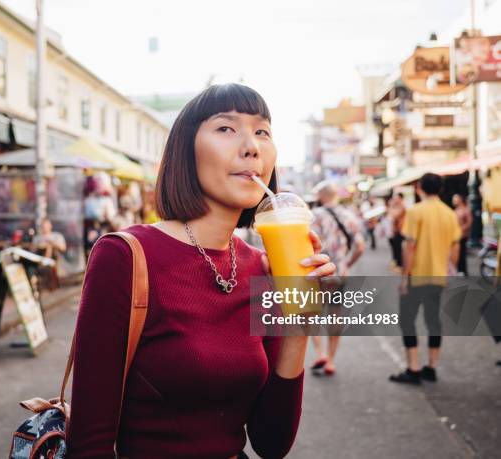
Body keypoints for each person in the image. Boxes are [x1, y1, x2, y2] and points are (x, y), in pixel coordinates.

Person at [66, 84, 336, 458]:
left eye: (262, 131)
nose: (251, 146)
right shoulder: (124, 257)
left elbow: (271, 443)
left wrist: (298, 322)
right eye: (226, 128)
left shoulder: (262, 267)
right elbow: (89, 444)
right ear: (186, 150)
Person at [390, 173, 461, 385]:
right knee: (433, 320)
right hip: (438, 275)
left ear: (420, 187)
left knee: (407, 319)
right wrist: (451, 270)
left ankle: (413, 369)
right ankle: (431, 366)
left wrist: (404, 277)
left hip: (417, 275)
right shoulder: (449, 214)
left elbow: (409, 246)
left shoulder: (415, 211)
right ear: (440, 189)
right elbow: (455, 247)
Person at [309, 181, 366, 376]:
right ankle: (331, 361)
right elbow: (360, 247)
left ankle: (319, 354)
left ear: (322, 196)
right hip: (340, 273)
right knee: (335, 316)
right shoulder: (349, 216)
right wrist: (347, 264)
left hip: (318, 273)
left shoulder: (315, 216)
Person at [452, 194, 472, 275]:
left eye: (455, 199)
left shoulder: (466, 209)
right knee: (457, 252)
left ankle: (463, 270)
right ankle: (458, 269)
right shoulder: (456, 210)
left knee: (461, 252)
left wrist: (461, 229)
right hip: (456, 235)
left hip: (462, 235)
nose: (454, 201)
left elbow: (469, 222)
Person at [388, 192, 406, 270]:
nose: (395, 200)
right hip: (395, 230)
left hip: (400, 230)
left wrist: (391, 206)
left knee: (398, 247)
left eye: (397, 198)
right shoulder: (397, 206)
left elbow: (394, 215)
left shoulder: (402, 207)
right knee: (395, 246)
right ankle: (396, 261)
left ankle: (400, 264)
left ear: (401, 199)